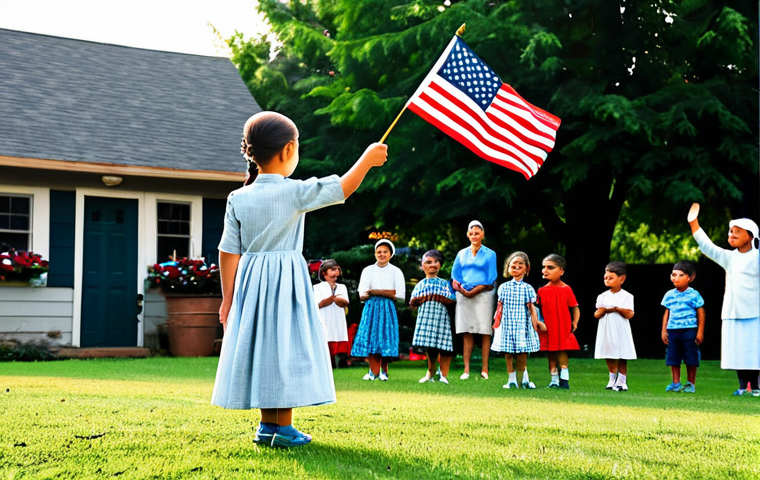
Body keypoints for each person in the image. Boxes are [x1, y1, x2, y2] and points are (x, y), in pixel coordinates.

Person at [211, 111, 388, 448]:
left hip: (249, 284)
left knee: (264, 350)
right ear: (288, 149)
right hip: (285, 283)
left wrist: (228, 299)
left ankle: (269, 426)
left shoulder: (238, 197)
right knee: (286, 349)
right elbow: (342, 188)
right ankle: (282, 427)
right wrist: (366, 159)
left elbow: (228, 252)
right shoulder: (294, 191)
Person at [688, 203, 759, 396]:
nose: (732, 235)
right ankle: (743, 386)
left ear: (751, 236)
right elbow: (707, 247)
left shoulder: (757, 257)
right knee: (739, 351)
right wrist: (693, 223)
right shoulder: (729, 257)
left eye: (737, 231)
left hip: (755, 312)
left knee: (754, 351)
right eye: (730, 231)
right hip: (733, 312)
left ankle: (757, 387)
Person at [351, 239, 406, 381]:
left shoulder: (396, 271)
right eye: (379, 252)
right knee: (371, 337)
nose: (382, 255)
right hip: (371, 307)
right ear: (375, 254)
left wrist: (376, 291)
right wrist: (382, 292)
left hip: (387, 307)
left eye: (385, 252)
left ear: (390, 254)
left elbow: (399, 294)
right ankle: (373, 371)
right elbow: (363, 293)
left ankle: (384, 371)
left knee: (385, 337)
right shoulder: (368, 270)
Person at [491, 251, 546, 389]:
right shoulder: (503, 288)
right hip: (507, 324)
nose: (516, 267)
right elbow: (500, 307)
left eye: (520, 264)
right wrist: (496, 322)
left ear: (527, 268)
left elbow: (531, 308)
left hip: (523, 325)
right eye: (513, 265)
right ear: (508, 268)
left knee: (522, 353)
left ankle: (524, 380)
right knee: (508, 353)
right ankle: (511, 380)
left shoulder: (528, 288)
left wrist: (537, 322)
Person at [451, 220, 497, 380]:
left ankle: (485, 369)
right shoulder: (462, 253)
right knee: (467, 331)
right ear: (467, 235)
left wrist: (478, 288)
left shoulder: (490, 254)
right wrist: (461, 288)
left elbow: (491, 276)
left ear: (483, 234)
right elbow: (455, 274)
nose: (474, 235)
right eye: (471, 233)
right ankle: (466, 369)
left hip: (484, 293)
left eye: (477, 233)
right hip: (464, 294)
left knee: (485, 331)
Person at [410, 250, 456, 384]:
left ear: (440, 265)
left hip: (441, 319)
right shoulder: (420, 285)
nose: (432, 265)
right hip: (425, 319)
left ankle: (444, 375)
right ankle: (430, 372)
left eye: (436, 261)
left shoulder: (445, 284)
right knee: (430, 348)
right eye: (428, 262)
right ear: (422, 266)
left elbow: (452, 299)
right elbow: (413, 302)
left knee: (445, 347)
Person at [660, 260, 705, 393]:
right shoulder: (669, 295)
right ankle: (676, 383)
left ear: (690, 278)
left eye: (680, 275)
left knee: (691, 357)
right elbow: (667, 312)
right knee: (673, 357)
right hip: (673, 331)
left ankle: (690, 383)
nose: (676, 278)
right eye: (674, 275)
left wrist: (700, 332)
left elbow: (701, 312)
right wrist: (664, 330)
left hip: (689, 330)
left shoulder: (694, 294)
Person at [537, 254, 580, 389]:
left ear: (561, 271)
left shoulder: (566, 289)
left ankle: (564, 377)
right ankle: (553, 379)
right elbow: (536, 309)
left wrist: (575, 322)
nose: (546, 270)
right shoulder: (541, 291)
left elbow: (575, 308)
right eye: (544, 267)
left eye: (550, 267)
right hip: (548, 326)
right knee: (551, 351)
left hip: (562, 325)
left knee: (562, 350)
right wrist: (538, 322)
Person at [593, 261, 636, 392]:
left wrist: (617, 309)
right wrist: (604, 310)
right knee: (609, 352)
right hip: (607, 328)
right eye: (606, 278)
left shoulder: (627, 296)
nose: (607, 280)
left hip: (620, 328)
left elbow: (630, 314)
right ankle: (612, 378)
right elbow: (597, 313)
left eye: (611, 278)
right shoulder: (602, 296)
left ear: (622, 279)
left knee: (622, 353)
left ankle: (622, 380)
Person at [313, 259, 350, 368]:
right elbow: (319, 304)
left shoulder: (341, 287)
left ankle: (342, 362)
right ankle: (330, 364)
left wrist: (333, 299)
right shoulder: (317, 288)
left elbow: (344, 302)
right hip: (324, 318)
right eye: (332, 270)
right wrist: (333, 298)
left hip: (338, 319)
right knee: (326, 339)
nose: (335, 272)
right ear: (324, 273)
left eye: (337, 269)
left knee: (339, 339)